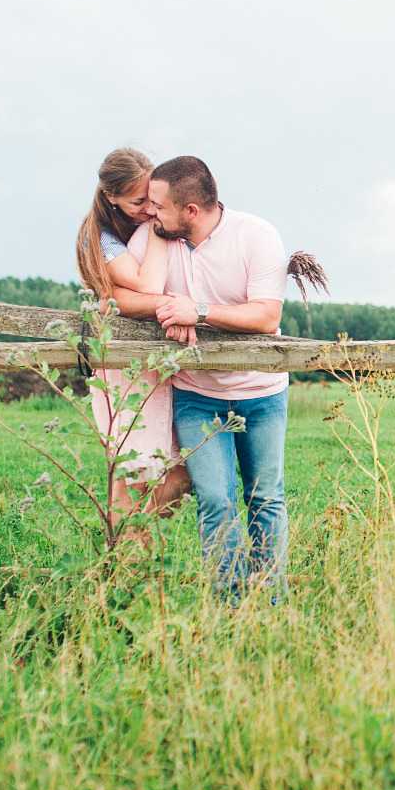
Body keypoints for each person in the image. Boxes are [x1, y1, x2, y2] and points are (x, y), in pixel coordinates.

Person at [122, 156, 289, 591]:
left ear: (190, 211)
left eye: (157, 205)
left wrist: (195, 310)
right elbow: (114, 294)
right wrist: (164, 308)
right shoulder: (154, 236)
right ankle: (229, 606)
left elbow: (267, 316)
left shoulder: (257, 236)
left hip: (262, 392)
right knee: (216, 499)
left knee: (265, 497)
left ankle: (269, 601)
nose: (148, 212)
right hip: (196, 394)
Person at [73, 147, 192, 537]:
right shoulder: (100, 238)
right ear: (111, 197)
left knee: (169, 472)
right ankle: (126, 562)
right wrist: (159, 231)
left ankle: (126, 549)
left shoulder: (137, 225)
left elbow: (129, 297)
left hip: (158, 362)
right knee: (131, 470)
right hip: (123, 364)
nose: (147, 209)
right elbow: (147, 284)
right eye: (138, 202)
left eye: (152, 200)